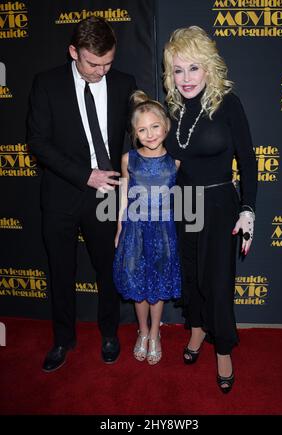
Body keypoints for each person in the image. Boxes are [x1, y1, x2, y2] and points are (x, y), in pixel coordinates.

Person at [27, 16, 136, 372]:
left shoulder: (124, 84)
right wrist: (84, 175)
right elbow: (38, 143)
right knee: (61, 271)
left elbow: (135, 138)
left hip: (108, 193)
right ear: (74, 52)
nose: (101, 71)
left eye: (108, 63)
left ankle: (109, 333)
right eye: (93, 63)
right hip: (62, 192)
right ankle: (63, 339)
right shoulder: (47, 84)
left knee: (108, 269)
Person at [163, 26, 257, 392]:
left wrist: (248, 209)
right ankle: (198, 329)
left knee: (217, 282)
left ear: (208, 68)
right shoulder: (171, 107)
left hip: (219, 203)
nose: (185, 78)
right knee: (191, 276)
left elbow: (248, 161)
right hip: (183, 202)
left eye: (193, 68)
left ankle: (224, 349)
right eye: (177, 70)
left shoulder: (227, 103)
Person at [113, 91, 181, 365]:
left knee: (159, 282)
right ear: (135, 133)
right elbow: (123, 197)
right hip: (135, 229)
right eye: (142, 129)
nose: (150, 134)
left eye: (155, 127)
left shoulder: (175, 161)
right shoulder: (129, 159)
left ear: (165, 125)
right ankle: (142, 331)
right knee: (138, 283)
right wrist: (119, 227)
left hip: (164, 230)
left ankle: (155, 332)